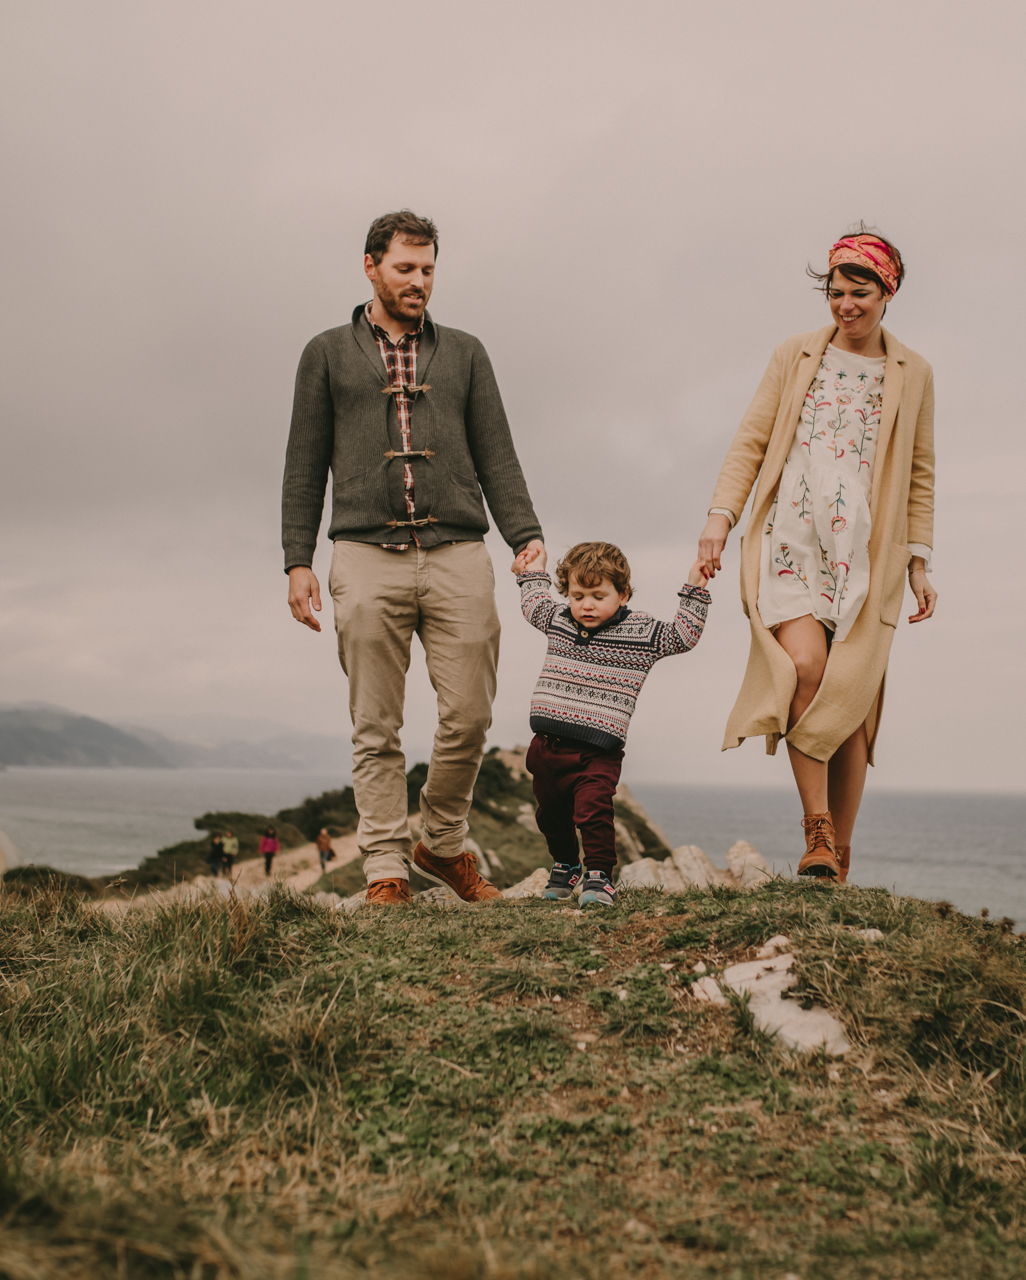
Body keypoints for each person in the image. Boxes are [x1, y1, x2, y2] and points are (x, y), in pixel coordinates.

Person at [283, 210, 545, 907]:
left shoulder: (464, 353)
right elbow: (304, 464)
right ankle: (384, 872)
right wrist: (296, 558)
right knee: (376, 722)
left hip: (459, 549)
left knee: (470, 716)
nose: (419, 281)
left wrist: (525, 534)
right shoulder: (327, 353)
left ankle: (441, 842)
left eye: (428, 269)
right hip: (365, 554)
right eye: (406, 268)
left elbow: (498, 452)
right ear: (371, 266)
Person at [695, 226, 938, 884]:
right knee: (805, 667)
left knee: (850, 695)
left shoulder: (914, 373)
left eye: (860, 292)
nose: (846, 304)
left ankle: (840, 857)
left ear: (887, 292)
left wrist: (919, 560)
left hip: (866, 552)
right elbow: (750, 441)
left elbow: (919, 471)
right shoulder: (795, 355)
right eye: (836, 291)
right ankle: (816, 830)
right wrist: (721, 521)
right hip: (791, 539)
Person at [512, 541, 710, 907]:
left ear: (623, 594)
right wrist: (531, 571)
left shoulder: (640, 631)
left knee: (593, 812)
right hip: (545, 748)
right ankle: (566, 865)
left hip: (596, 754)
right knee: (550, 816)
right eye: (578, 595)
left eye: (598, 595)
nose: (586, 604)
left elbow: (682, 636)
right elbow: (533, 603)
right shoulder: (558, 619)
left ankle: (599, 877)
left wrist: (696, 589)